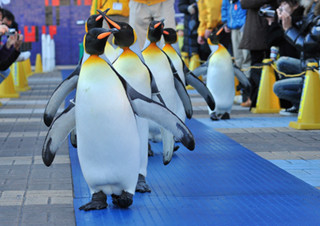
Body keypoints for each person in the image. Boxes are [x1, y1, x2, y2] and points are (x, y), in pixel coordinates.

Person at [272, 0, 320, 115]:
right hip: (311, 64)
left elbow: (306, 45)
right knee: (282, 62)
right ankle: (300, 103)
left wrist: (288, 29)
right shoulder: (312, 7)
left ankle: (306, 105)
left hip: (316, 69)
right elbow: (303, 27)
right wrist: (284, 20)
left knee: (278, 88)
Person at [239, 0, 277, 108]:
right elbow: (244, 3)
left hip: (265, 30)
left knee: (260, 67)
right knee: (255, 67)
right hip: (257, 32)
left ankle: (259, 99)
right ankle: (254, 99)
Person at [221, 0, 251, 107]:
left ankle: (248, 94)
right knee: (238, 60)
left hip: (244, 26)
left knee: (246, 58)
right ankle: (242, 92)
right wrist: (225, 22)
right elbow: (224, 7)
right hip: (233, 26)